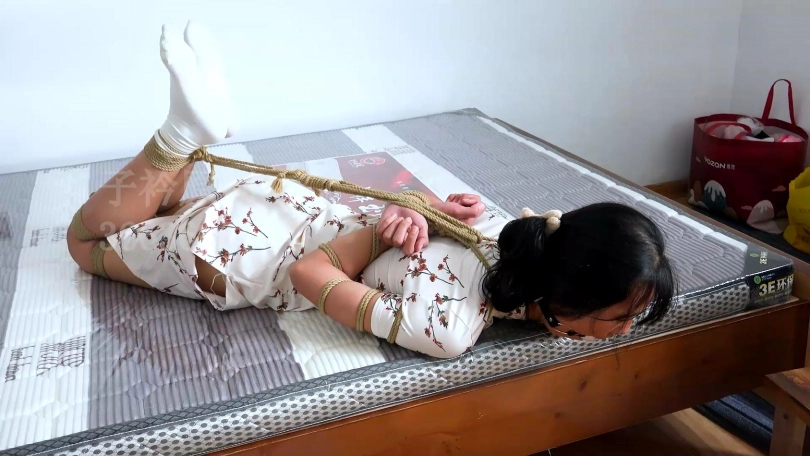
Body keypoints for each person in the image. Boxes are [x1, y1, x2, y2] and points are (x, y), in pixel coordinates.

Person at [66, 21, 675, 359]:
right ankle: (181, 131)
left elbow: (394, 230)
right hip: (242, 255)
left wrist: (423, 211)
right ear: (567, 294)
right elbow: (309, 275)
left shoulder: (507, 234)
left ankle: (192, 129)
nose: (626, 330)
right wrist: (403, 223)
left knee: (158, 210)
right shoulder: (450, 328)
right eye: (620, 316)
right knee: (84, 243)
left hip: (283, 209)